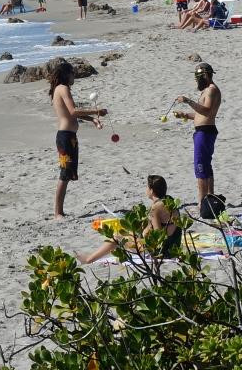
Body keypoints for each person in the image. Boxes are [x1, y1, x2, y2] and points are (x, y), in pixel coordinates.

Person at [49, 61, 108, 220]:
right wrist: (97, 111)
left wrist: (92, 119)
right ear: (66, 74)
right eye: (72, 73)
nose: (74, 76)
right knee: (64, 174)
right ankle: (58, 213)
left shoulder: (60, 89)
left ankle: (60, 212)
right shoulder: (63, 88)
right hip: (65, 137)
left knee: (67, 174)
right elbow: (73, 111)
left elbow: (72, 113)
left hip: (69, 137)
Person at [77, 175, 181, 264]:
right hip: (174, 246)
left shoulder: (156, 208)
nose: (146, 189)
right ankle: (90, 257)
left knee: (116, 238)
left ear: (151, 190)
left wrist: (144, 235)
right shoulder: (169, 200)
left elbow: (158, 235)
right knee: (129, 233)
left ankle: (88, 260)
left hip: (161, 251)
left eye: (147, 187)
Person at [172, 63, 221, 206]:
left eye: (198, 78)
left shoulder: (211, 90)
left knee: (200, 168)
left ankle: (202, 203)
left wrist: (187, 101)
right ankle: (210, 198)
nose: (196, 81)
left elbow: (206, 111)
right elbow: (202, 114)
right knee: (206, 166)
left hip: (205, 133)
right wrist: (185, 115)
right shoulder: (208, 90)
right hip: (204, 131)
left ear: (205, 75)